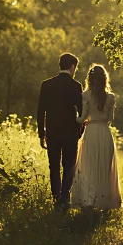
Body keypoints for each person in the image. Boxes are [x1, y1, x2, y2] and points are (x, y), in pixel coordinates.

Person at [70, 64, 122, 210]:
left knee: (89, 168)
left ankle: (89, 201)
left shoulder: (85, 95)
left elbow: (81, 120)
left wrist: (76, 114)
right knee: (104, 169)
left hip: (91, 133)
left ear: (90, 79)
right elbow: (109, 119)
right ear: (105, 79)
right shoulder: (111, 97)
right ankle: (103, 202)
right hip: (105, 134)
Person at [37, 53, 84, 210]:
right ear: (72, 67)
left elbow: (40, 112)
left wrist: (41, 134)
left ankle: (56, 198)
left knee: (54, 166)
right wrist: (79, 132)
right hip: (70, 133)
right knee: (69, 166)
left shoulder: (46, 84)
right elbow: (81, 113)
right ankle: (65, 199)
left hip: (52, 132)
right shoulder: (76, 86)